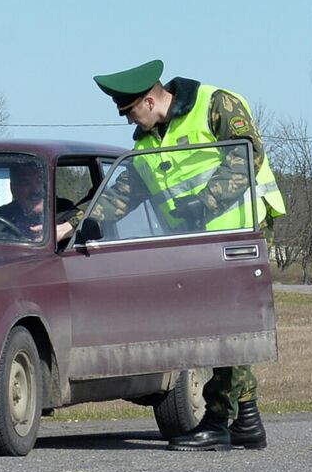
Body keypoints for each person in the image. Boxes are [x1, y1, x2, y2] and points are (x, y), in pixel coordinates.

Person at [92, 58, 285, 452]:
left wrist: (204, 203)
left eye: (130, 112)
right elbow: (120, 195)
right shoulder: (145, 145)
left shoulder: (216, 104)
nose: (129, 122)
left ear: (149, 101)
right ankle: (246, 420)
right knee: (222, 328)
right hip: (201, 243)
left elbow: (248, 156)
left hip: (241, 230)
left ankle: (217, 421)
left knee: (228, 330)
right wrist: (79, 223)